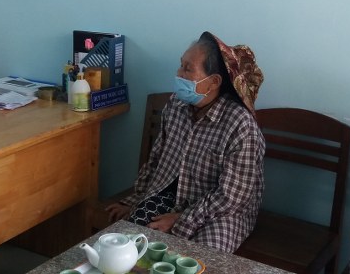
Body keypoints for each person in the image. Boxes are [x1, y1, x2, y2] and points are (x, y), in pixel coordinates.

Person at [106, 31, 265, 252]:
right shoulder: (176, 105)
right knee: (132, 241)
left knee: (200, 257)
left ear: (213, 82)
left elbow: (231, 198)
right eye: (181, 65)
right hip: (172, 195)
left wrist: (180, 219)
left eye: (188, 69)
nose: (178, 73)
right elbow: (156, 160)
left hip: (222, 212)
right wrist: (136, 200)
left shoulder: (240, 125)